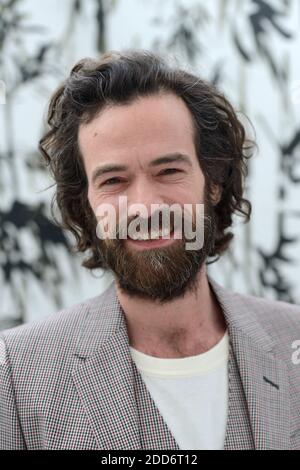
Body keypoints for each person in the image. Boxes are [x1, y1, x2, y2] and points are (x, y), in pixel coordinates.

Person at [1, 50, 300, 450]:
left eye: (169, 171)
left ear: (212, 182)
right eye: (113, 180)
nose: (145, 207)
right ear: (85, 205)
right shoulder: (16, 376)